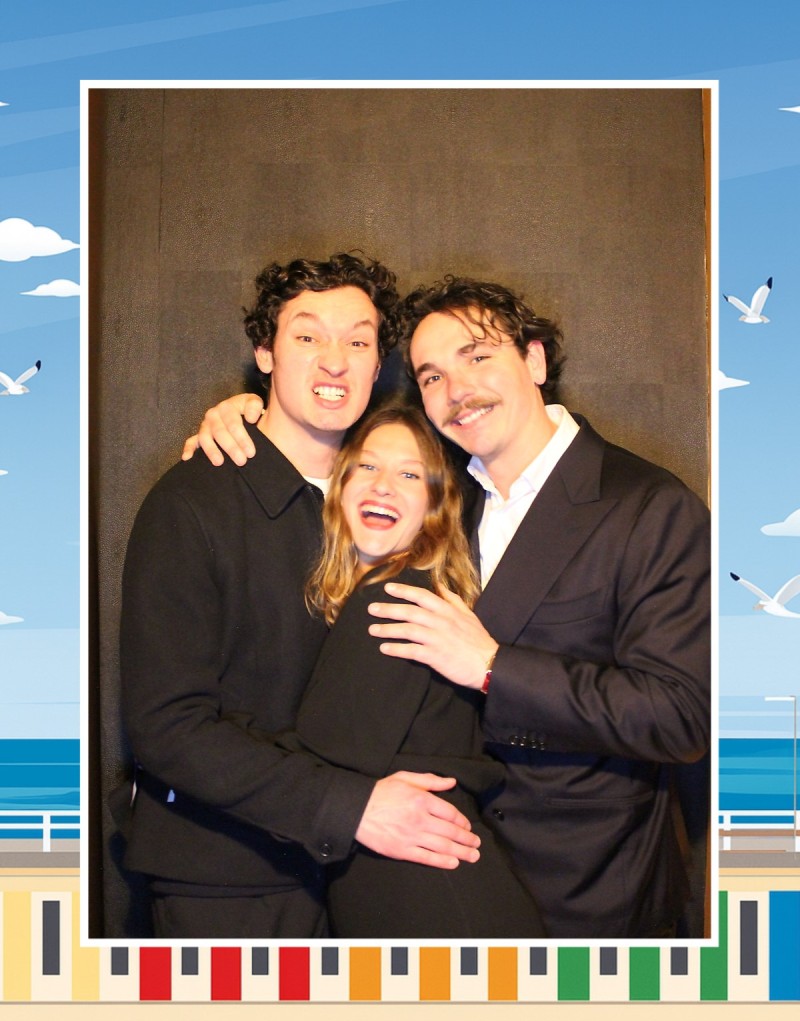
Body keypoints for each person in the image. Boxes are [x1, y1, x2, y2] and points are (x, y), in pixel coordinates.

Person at [188, 275, 710, 939]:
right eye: (432, 376)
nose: (457, 389)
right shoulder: (445, 500)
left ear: (535, 360)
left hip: (590, 890)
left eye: (478, 356)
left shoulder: (647, 505)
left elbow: (681, 715)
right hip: (443, 874)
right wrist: (248, 418)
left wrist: (493, 667)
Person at [118, 254, 481, 939]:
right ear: (266, 353)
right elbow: (168, 726)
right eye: (307, 336)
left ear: (378, 367)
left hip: (366, 882)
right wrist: (351, 807)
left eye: (358, 342)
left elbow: (514, 449)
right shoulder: (193, 502)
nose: (334, 361)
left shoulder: (393, 497)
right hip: (230, 882)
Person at [280, 400, 544, 937]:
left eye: (408, 475)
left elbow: (314, 762)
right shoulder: (411, 596)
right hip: (429, 890)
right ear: (338, 485)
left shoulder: (393, 602)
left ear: (433, 507)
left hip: (433, 901)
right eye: (368, 466)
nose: (383, 486)